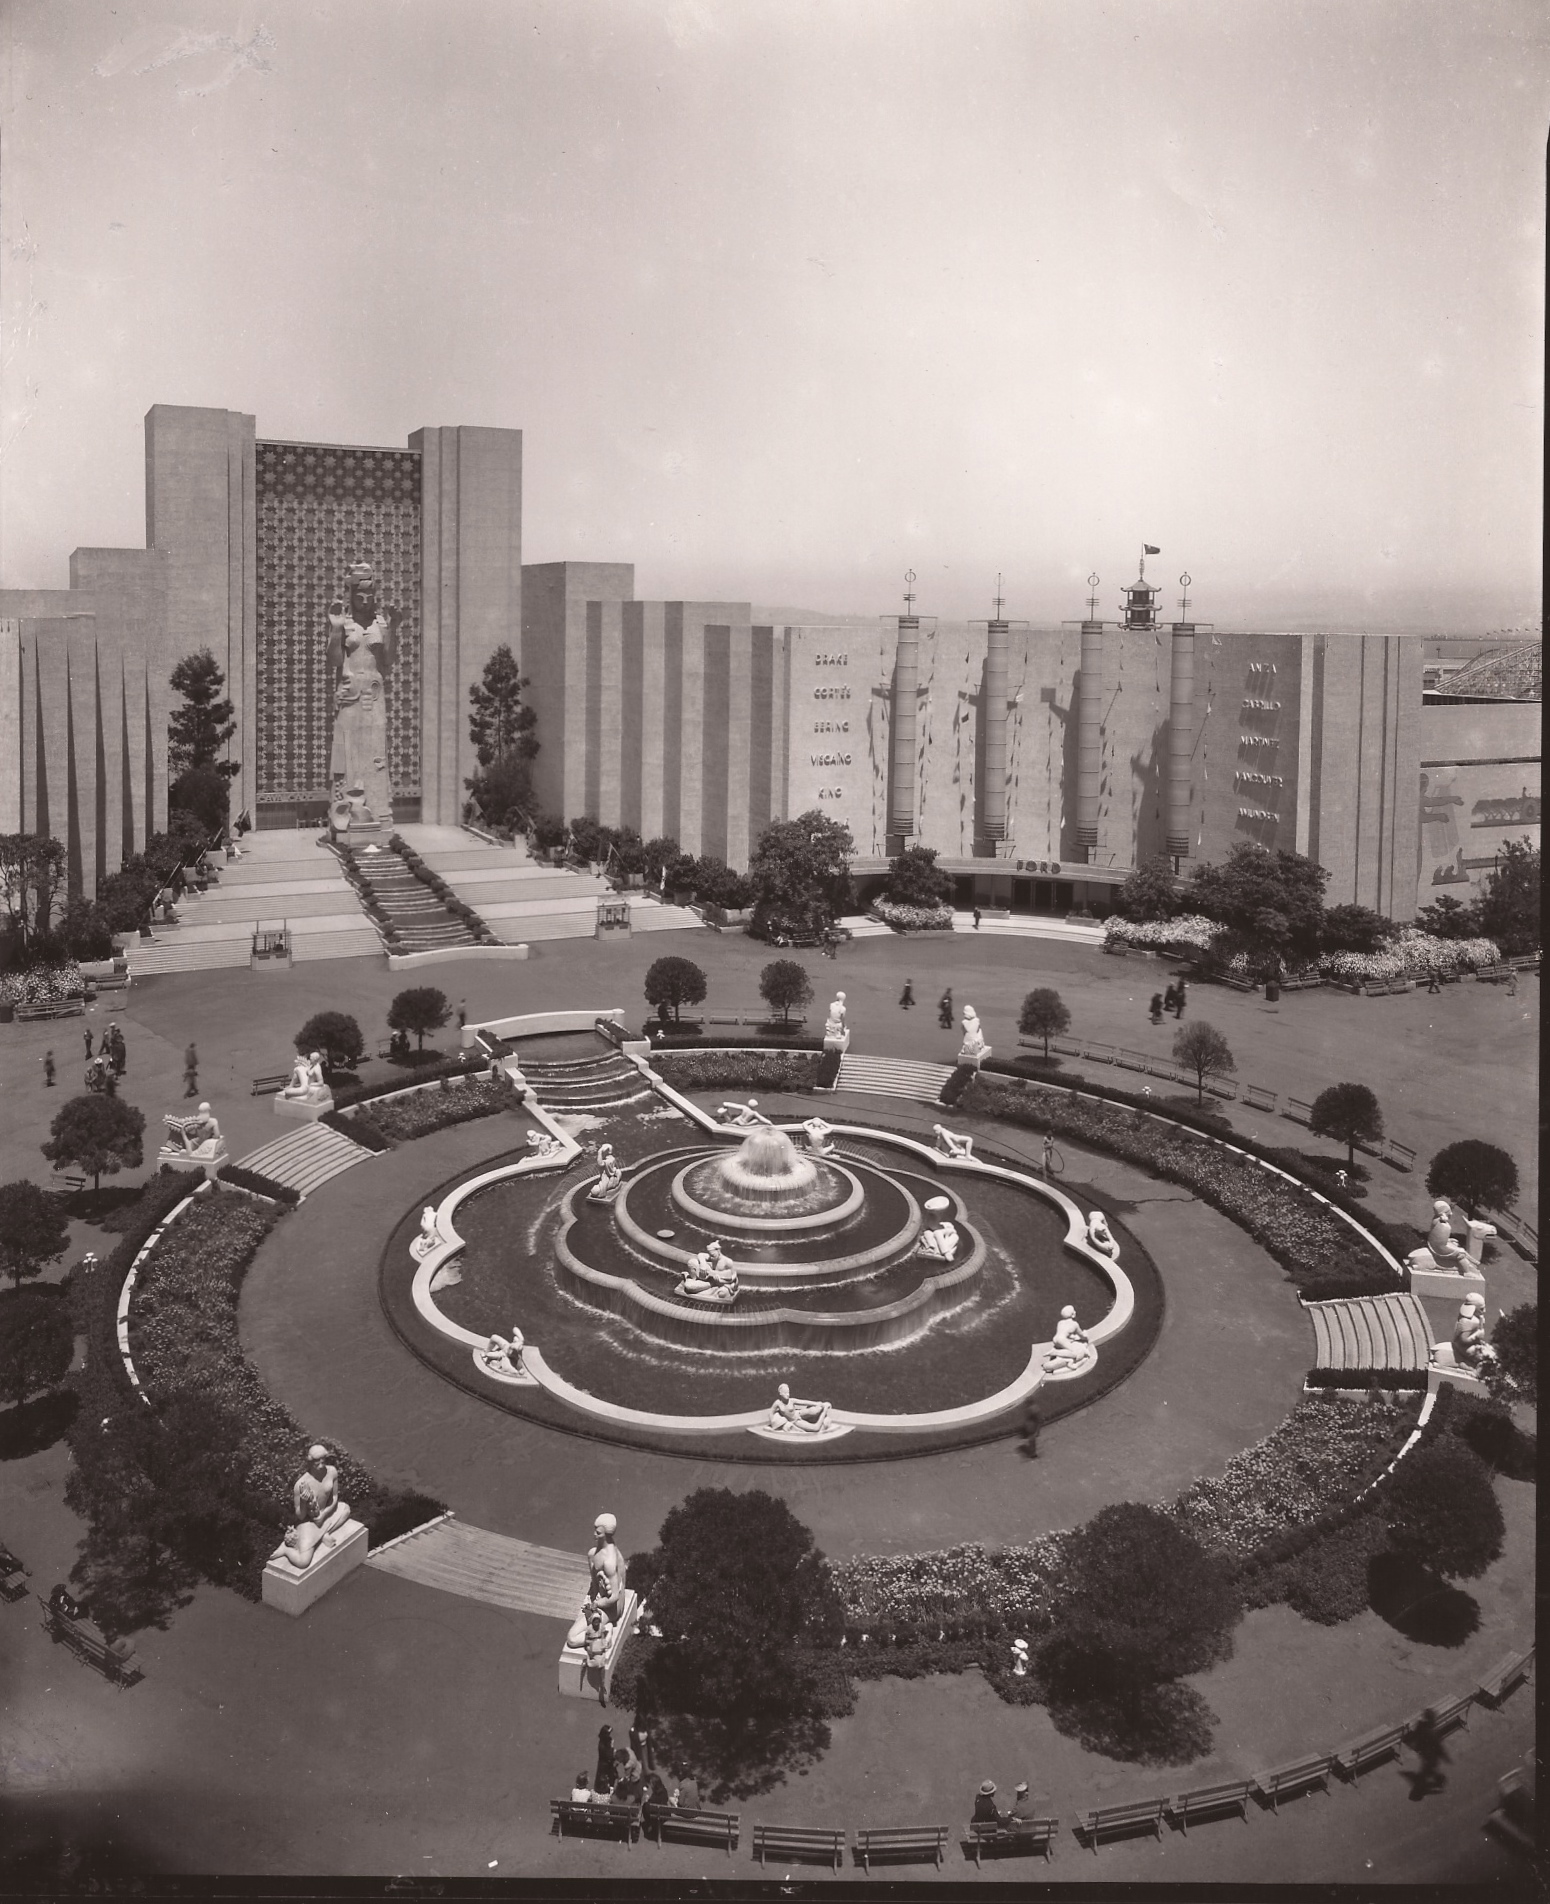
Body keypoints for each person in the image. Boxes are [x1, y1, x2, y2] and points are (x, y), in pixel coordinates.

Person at [1408, 1708, 1449, 1795]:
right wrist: (1445, 1756)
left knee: (1427, 1769)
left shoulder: (1421, 1726)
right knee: (1429, 1769)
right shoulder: (1432, 1732)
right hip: (1431, 1756)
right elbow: (1438, 1747)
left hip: (1425, 1753)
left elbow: (1415, 1736)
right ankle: (1439, 1781)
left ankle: (1438, 1781)